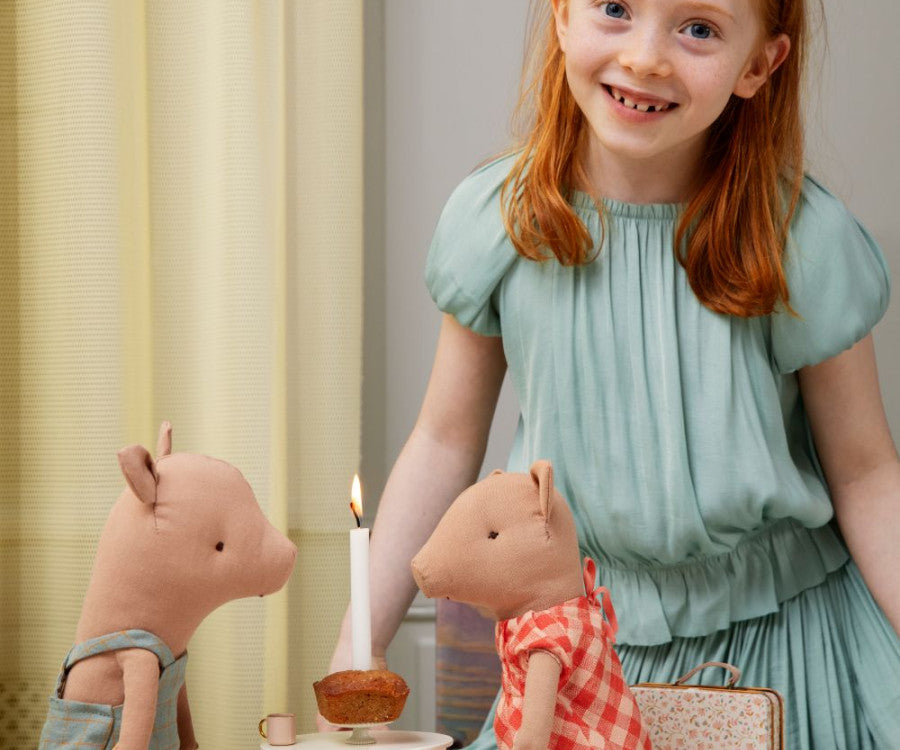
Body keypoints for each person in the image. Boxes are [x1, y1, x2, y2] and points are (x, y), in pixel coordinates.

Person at [324, 0, 900, 747]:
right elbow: (442, 444)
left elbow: (865, 476)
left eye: (698, 28)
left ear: (760, 65)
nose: (645, 57)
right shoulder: (500, 225)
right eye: (616, 8)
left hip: (790, 652)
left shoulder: (802, 242)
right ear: (562, 17)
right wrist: (357, 642)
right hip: (574, 662)